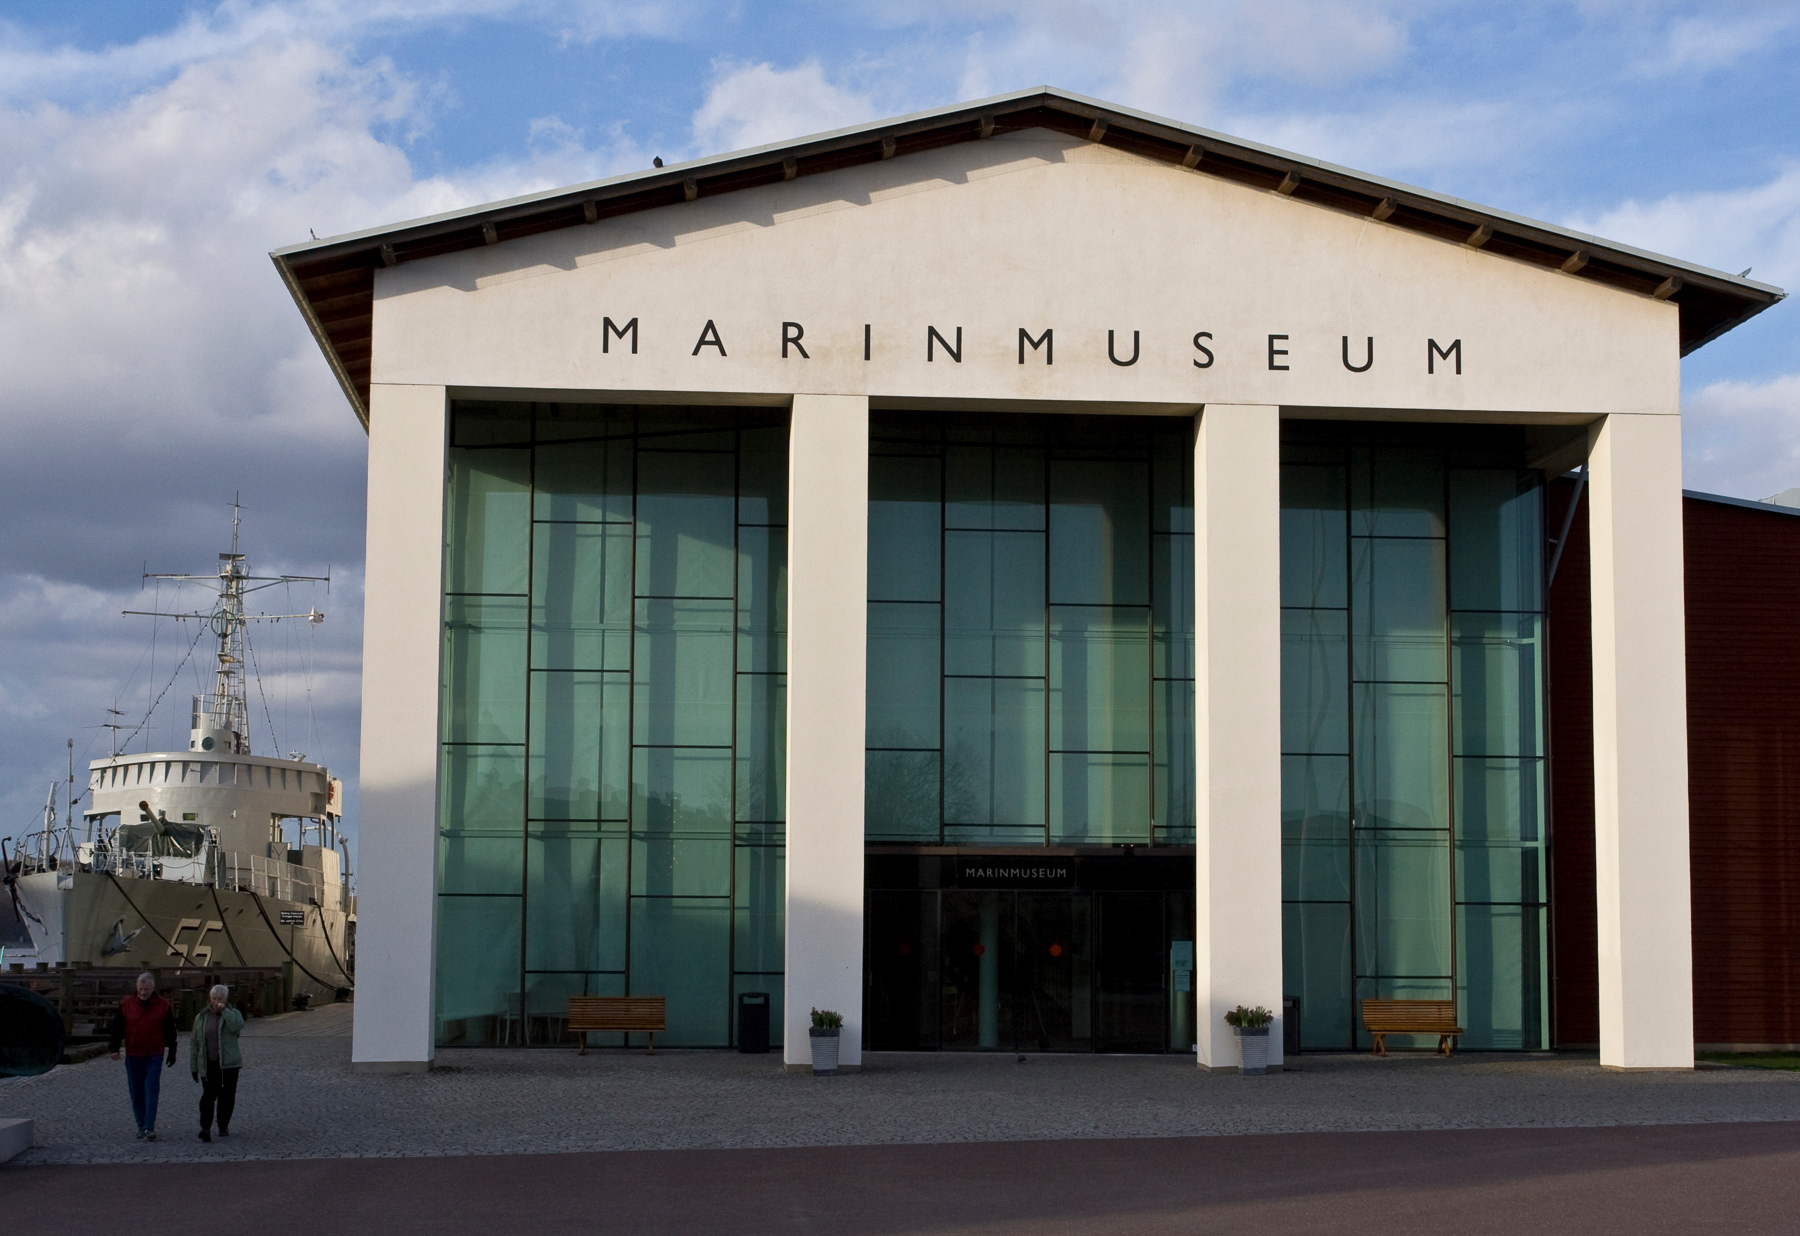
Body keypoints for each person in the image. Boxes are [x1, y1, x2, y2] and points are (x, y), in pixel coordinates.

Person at [107, 972, 177, 1141]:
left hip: (154, 1053)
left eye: (146, 989)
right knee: (136, 1091)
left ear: (153, 988)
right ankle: (141, 1124)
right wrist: (114, 1048)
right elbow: (117, 1027)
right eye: (140, 989)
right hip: (133, 1053)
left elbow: (170, 1030)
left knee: (151, 1088)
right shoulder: (126, 1004)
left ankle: (149, 1126)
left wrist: (172, 1051)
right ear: (136, 988)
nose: (143, 992)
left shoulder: (163, 1005)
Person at [189, 983, 244, 1142]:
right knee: (208, 1096)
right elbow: (195, 1043)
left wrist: (224, 1011)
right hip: (209, 1063)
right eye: (214, 998)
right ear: (209, 999)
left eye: (220, 999)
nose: (216, 1002)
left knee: (226, 1096)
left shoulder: (233, 1013)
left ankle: (222, 1125)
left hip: (229, 1064)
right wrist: (194, 1066)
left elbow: (237, 1027)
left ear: (226, 999)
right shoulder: (201, 1017)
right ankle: (205, 1127)